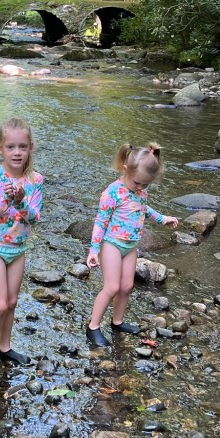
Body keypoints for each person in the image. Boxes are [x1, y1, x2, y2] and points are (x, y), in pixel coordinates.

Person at [85, 143, 179, 346]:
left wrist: (162, 218)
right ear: (125, 169)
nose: (140, 188)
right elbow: (100, 222)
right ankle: (93, 327)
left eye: (145, 185)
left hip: (130, 245)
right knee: (112, 287)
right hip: (112, 243)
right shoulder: (112, 193)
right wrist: (94, 250)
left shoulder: (140, 190)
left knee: (127, 286)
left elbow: (142, 207)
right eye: (137, 183)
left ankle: (117, 322)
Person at [0, 117, 43, 376]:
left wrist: (20, 201)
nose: (17, 152)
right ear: (0, 149)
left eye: (22, 147)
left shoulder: (35, 180)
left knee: (13, 301)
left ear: (30, 148)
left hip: (18, 249)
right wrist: (6, 200)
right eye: (11, 147)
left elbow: (35, 218)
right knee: (0, 304)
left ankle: (5, 347)